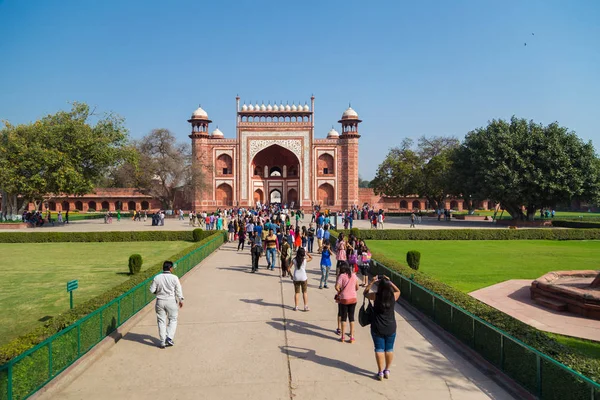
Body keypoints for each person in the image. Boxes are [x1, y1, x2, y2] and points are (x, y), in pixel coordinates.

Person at [364, 275, 401, 380]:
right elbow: (399, 291)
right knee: (389, 349)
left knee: (379, 349)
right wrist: (389, 282)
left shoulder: (376, 296)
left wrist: (372, 282)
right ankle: (387, 370)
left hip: (377, 326)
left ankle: (380, 372)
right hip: (390, 326)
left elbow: (365, 293)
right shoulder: (393, 296)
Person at [149, 261, 184, 348]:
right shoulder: (174, 278)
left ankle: (162, 341)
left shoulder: (157, 277)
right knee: (173, 319)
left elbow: (152, 290)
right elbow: (178, 289)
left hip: (160, 301)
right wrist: (180, 299)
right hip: (171, 301)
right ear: (170, 268)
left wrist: (158, 292)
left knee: (161, 321)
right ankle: (169, 337)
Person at [335, 261, 359, 343]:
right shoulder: (354, 275)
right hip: (353, 298)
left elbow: (336, 287)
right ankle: (352, 336)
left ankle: (343, 336)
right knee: (351, 318)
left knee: (343, 317)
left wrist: (340, 291)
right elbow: (357, 287)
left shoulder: (341, 276)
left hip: (344, 299)